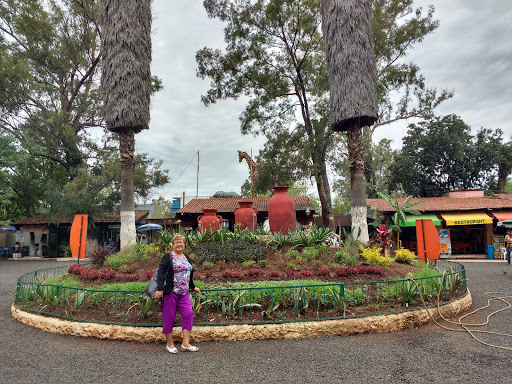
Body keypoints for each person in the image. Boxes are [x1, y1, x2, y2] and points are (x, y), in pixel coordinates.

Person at [154, 234, 200, 353]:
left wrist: (193, 286)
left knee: (188, 314)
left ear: (184, 244)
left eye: (181, 242)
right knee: (169, 318)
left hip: (183, 293)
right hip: (171, 292)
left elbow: (188, 273)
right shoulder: (168, 256)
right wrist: (160, 289)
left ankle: (185, 344)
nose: (179, 244)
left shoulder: (186, 257)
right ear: (173, 245)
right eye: (176, 242)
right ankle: (170, 344)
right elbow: (160, 273)